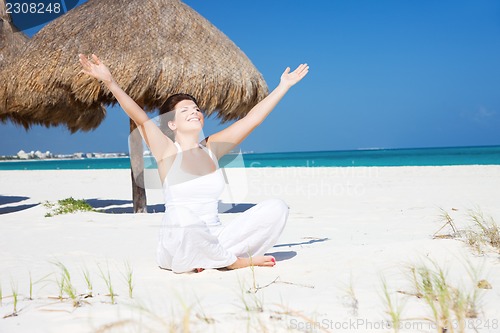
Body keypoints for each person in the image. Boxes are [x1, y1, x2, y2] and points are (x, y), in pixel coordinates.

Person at [79, 54, 309, 273]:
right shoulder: (167, 150)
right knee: (182, 215)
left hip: (217, 238)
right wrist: (110, 83)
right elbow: (139, 116)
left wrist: (283, 86)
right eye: (185, 110)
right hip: (178, 241)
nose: (195, 112)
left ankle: (215, 258)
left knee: (276, 207)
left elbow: (252, 119)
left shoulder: (211, 149)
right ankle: (231, 262)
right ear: (171, 124)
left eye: (197, 109)